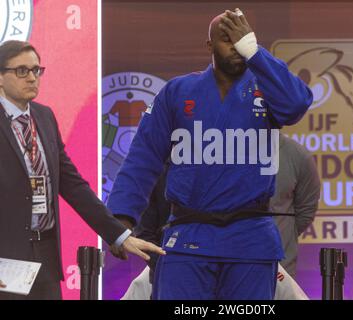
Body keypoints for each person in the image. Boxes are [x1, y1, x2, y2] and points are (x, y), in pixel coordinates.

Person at [107, 8, 313, 300]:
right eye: (228, 39)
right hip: (189, 236)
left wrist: (255, 52)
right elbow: (144, 157)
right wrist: (121, 218)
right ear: (209, 46)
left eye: (243, 39)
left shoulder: (267, 90)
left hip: (250, 236)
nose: (237, 46)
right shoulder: (178, 92)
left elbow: (296, 105)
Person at [0, 40, 165, 300]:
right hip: (5, 260)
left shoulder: (44, 117)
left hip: (45, 256)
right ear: (0, 77)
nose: (32, 78)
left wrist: (118, 235)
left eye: (36, 70)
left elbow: (73, 186)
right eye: (22, 71)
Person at [271, 134, 321, 279]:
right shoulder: (224, 151)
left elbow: (306, 211)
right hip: (232, 261)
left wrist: (283, 234)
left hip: (280, 266)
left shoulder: (298, 155)